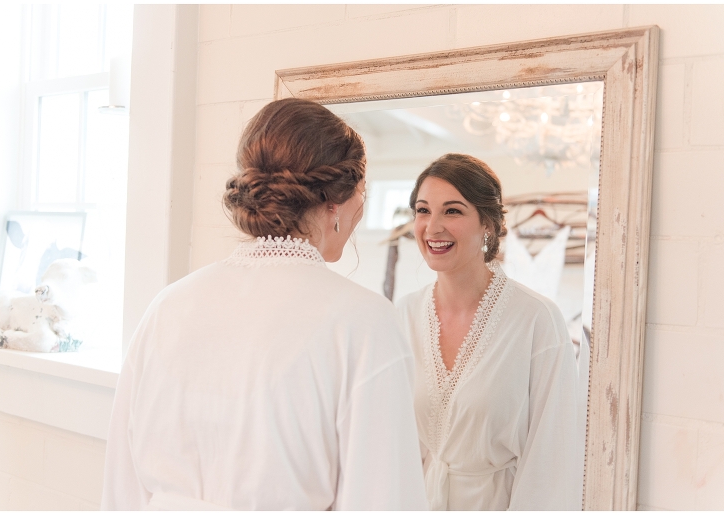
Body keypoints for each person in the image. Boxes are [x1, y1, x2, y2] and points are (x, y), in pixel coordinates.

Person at [102, 98, 428, 510]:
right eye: (362, 191)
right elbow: (384, 497)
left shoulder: (169, 306)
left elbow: (122, 485)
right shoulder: (364, 321)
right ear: (336, 202)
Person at [397, 153, 582, 510]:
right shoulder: (403, 315)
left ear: (488, 223)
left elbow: (552, 461)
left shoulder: (537, 320)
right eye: (423, 210)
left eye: (452, 211)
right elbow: (390, 443)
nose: (432, 227)